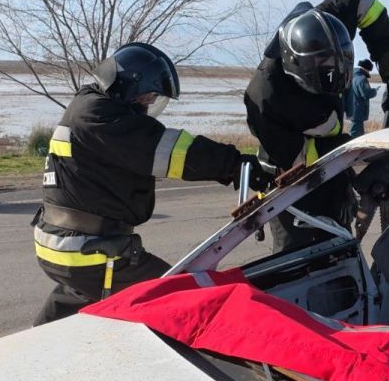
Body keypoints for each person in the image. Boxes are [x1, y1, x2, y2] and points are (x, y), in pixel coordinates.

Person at [32, 43, 272, 324]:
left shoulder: (85, 106)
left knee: (65, 315)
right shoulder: (100, 117)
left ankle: (31, 353)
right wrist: (233, 164)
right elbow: (172, 151)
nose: (147, 105)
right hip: (90, 253)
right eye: (146, 98)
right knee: (186, 300)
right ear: (125, 87)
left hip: (63, 246)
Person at [244, 0, 389, 252]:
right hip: (292, 181)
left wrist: (386, 51)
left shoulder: (325, 27)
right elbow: (305, 162)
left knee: (342, 245)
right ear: (298, 68)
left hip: (332, 164)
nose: (337, 81)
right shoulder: (265, 101)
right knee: (300, 258)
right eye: (325, 74)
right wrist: (363, 151)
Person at [346, 59, 379, 137]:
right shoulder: (362, 79)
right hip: (358, 111)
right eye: (369, 70)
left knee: (357, 133)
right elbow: (366, 94)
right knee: (355, 135)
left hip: (351, 109)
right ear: (366, 69)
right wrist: (375, 91)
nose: (369, 72)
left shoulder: (351, 76)